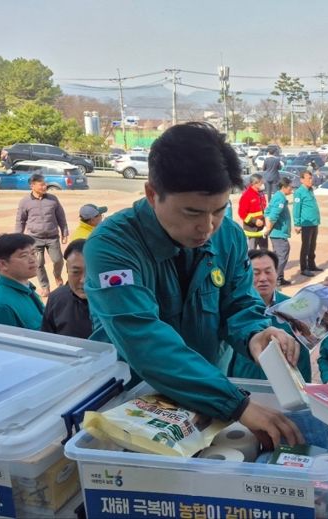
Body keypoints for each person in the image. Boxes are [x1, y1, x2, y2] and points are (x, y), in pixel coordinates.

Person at [83, 122, 302, 447]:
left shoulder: (228, 235)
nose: (207, 226)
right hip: (134, 403)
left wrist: (256, 334)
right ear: (152, 194)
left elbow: (240, 304)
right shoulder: (113, 247)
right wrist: (236, 403)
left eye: (220, 209)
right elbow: (143, 340)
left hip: (208, 400)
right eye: (192, 212)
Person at [226, 249, 312, 381]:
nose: (263, 278)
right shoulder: (236, 309)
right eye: (256, 273)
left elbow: (303, 356)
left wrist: (305, 388)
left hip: (283, 387)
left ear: (277, 273)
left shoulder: (294, 308)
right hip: (245, 384)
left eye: (268, 271)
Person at [15, 173, 69, 297]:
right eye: (41, 184)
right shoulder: (25, 202)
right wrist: (17, 237)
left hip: (52, 237)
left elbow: (61, 216)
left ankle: (57, 275)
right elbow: (20, 220)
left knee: (58, 260)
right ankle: (45, 287)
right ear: (32, 186)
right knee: (38, 263)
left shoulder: (53, 199)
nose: (45, 187)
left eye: (45, 184)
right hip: (35, 238)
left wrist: (64, 232)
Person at [0, 233, 44, 330]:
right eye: (24, 255)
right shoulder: (1, 307)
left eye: (33, 253)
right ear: (3, 264)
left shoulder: (26, 288)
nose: (33, 259)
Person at [40, 239, 92, 339]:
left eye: (90, 272)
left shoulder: (117, 301)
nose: (83, 280)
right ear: (67, 269)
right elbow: (47, 341)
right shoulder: (56, 298)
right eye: (76, 272)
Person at [263, 177, 294, 286]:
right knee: (282, 254)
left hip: (277, 232)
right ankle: (274, 279)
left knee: (278, 256)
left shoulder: (277, 196)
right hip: (278, 233)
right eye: (290, 187)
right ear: (284, 187)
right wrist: (268, 228)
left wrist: (267, 227)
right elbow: (273, 215)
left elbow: (267, 211)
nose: (292, 189)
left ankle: (279, 278)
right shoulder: (280, 199)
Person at [293, 171, 322, 277]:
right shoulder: (299, 192)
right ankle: (304, 268)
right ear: (301, 180)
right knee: (305, 246)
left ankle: (311, 264)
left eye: (311, 178)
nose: (311, 180)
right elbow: (296, 209)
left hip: (314, 222)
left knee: (313, 245)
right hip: (305, 223)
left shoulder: (310, 190)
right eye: (308, 178)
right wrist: (297, 224)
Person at [238, 173, 268, 250]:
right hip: (252, 230)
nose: (263, 183)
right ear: (255, 183)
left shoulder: (261, 194)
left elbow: (263, 210)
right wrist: (254, 221)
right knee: (252, 253)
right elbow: (242, 213)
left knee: (264, 253)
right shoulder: (246, 196)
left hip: (262, 229)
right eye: (261, 182)